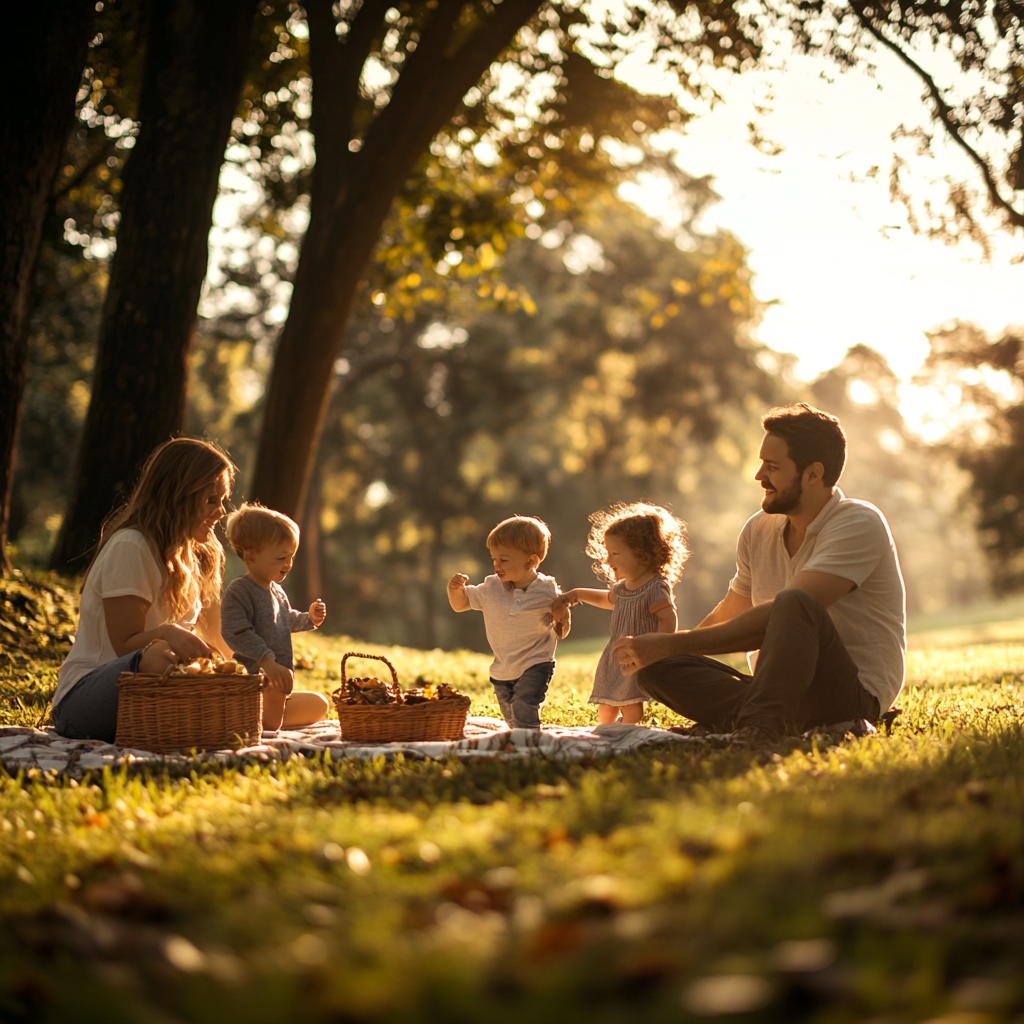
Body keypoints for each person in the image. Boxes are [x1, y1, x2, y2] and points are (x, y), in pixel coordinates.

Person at [615, 404, 906, 745]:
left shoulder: (858, 522)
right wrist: (668, 653)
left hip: (849, 694)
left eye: (773, 466)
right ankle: (767, 719)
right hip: (778, 690)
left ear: (813, 474)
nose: (759, 476)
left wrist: (672, 643)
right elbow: (734, 609)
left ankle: (758, 728)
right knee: (658, 668)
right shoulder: (758, 528)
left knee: (795, 603)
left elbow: (782, 617)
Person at [52, 438, 238, 743]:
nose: (220, 511)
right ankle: (209, 718)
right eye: (210, 500)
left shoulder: (197, 555)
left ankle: (213, 715)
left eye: (222, 500)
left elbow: (216, 638)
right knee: (157, 657)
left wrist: (248, 673)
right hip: (86, 699)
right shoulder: (131, 546)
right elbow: (126, 644)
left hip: (161, 684)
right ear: (178, 495)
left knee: (302, 703)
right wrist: (168, 632)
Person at [552, 502, 687, 724]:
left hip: (637, 655)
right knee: (606, 702)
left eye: (615, 553)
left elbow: (668, 617)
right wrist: (576, 594)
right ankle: (607, 732)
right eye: (607, 552)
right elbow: (606, 599)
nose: (607, 560)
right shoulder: (622, 588)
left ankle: (628, 731)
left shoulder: (655, 586)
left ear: (643, 555)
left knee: (630, 703)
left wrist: (658, 648)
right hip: (615, 655)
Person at [447, 515, 570, 730]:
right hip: (502, 668)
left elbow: (562, 631)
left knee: (524, 708)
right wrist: (454, 590)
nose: (496, 565)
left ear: (531, 561)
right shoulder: (491, 587)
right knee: (511, 717)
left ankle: (529, 741)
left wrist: (562, 617)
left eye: (503, 560)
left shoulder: (548, 589)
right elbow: (460, 604)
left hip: (536, 663)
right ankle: (520, 736)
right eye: (494, 559)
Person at [220, 503, 330, 731]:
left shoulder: (276, 591)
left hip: (277, 684)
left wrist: (309, 619)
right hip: (252, 681)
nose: (288, 564)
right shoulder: (240, 591)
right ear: (250, 557)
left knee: (320, 704)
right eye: (281, 557)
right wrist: (266, 662)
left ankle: (263, 718)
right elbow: (235, 631)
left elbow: (284, 619)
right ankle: (257, 719)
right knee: (272, 712)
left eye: (291, 556)